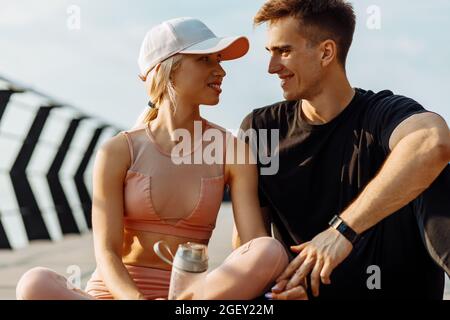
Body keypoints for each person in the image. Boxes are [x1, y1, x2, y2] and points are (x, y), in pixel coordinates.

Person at [15, 17, 288, 300]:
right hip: (116, 294)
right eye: (206, 60)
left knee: (269, 251)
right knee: (34, 283)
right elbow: (106, 251)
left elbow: (252, 243)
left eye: (218, 61)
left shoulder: (232, 150)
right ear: (167, 70)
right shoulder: (118, 151)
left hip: (190, 297)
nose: (221, 71)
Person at [234, 0, 450, 299]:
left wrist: (342, 231)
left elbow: (432, 142)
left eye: (284, 51)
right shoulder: (262, 129)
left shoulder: (381, 114)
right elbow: (249, 245)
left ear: (326, 52)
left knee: (432, 168)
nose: (272, 68)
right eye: (269, 53)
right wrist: (277, 288)